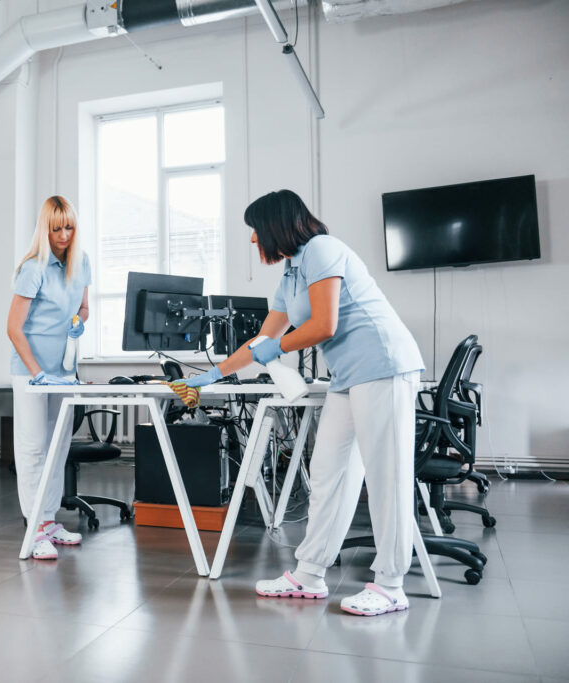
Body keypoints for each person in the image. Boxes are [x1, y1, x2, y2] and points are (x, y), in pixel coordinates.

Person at [179, 190, 423, 616]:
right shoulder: (291, 273)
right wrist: (211, 376)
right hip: (348, 377)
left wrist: (278, 348)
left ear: (276, 226)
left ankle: (390, 584)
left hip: (383, 365)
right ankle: (310, 573)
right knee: (328, 471)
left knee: (386, 477)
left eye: (256, 231)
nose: (254, 240)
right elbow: (261, 340)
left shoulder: (321, 250)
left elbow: (324, 324)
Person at [6, 196, 91, 560]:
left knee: (57, 449)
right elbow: (13, 328)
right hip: (31, 373)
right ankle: (35, 526)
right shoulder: (33, 267)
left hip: (64, 372)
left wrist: (79, 322)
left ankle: (50, 519)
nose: (63, 235)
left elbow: (84, 307)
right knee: (33, 449)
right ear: (45, 229)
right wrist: (37, 373)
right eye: (56, 229)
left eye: (69, 227)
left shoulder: (81, 262)